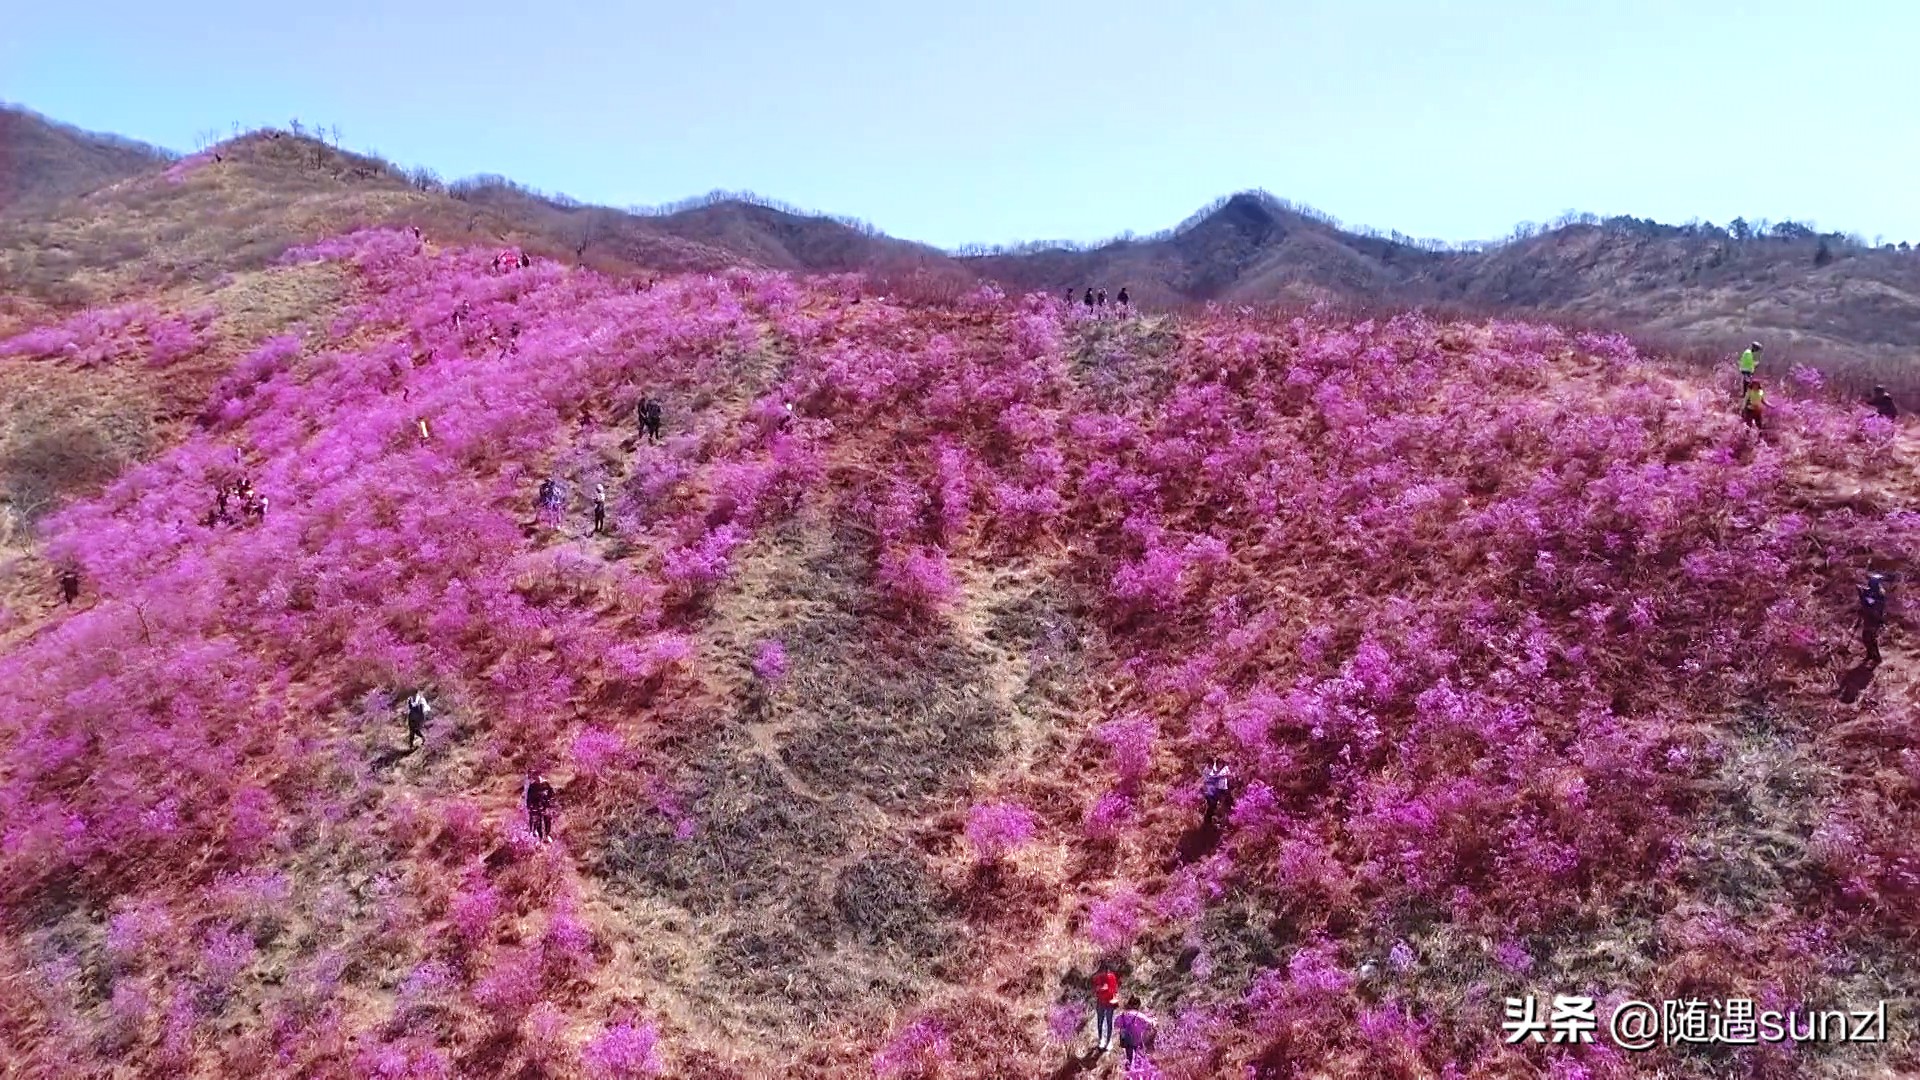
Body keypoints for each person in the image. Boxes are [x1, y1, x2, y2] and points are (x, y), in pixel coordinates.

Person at [1116, 999, 1156, 1067]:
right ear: (1137, 1005)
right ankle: (1143, 1067)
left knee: (1129, 1056)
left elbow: (1117, 1024)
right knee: (1141, 1054)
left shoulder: (1122, 1015)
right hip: (1137, 1038)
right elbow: (1151, 1023)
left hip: (1126, 1039)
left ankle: (1128, 1069)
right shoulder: (1140, 1015)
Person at [1859, 573, 1889, 665]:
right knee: (1866, 638)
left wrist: (1863, 596)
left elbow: (1870, 603)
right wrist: (1861, 592)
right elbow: (1865, 600)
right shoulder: (1872, 592)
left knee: (1870, 638)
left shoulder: (1880, 594)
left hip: (1875, 620)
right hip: (1869, 618)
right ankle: (1870, 655)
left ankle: (1876, 658)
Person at [1092, 968, 1121, 1052]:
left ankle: (1109, 1041)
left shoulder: (1111, 976)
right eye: (1104, 971)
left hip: (1110, 1002)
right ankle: (1101, 1040)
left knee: (1109, 1022)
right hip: (1101, 1002)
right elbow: (1095, 990)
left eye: (1106, 971)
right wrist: (1101, 988)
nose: (1106, 973)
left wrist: (1115, 997)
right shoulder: (1097, 977)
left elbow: (1115, 989)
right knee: (1100, 1022)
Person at [525, 773, 556, 841]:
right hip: (536, 806)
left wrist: (549, 800)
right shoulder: (532, 786)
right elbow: (529, 797)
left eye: (539, 777)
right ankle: (540, 836)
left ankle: (547, 835)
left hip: (545, 805)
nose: (538, 779)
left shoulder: (546, 784)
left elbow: (552, 794)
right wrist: (529, 806)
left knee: (547, 820)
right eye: (536, 778)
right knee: (538, 822)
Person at [1201, 761, 1231, 827]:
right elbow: (1208, 780)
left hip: (1221, 790)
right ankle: (1209, 821)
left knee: (1221, 805)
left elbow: (1228, 775)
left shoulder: (1225, 768)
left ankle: (1220, 821)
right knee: (1212, 806)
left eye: (1221, 763)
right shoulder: (1209, 771)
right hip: (1212, 792)